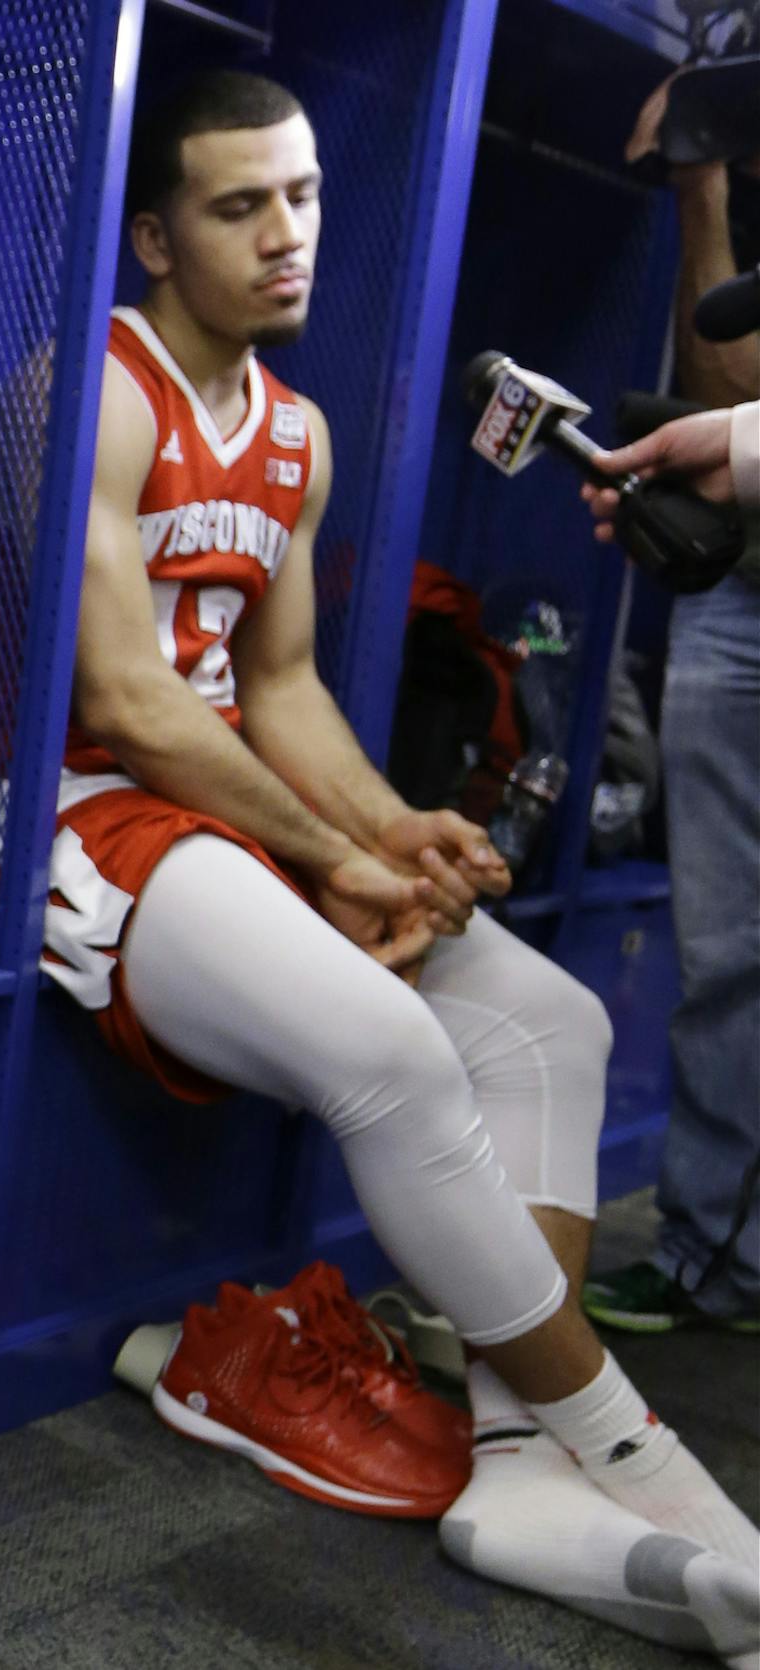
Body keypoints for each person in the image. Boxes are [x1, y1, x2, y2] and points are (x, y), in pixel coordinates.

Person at [0, 70, 758, 1661]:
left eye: (304, 197)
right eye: (240, 206)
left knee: (553, 1019)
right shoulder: (90, 388)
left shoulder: (295, 436)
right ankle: (636, 1453)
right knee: (392, 1045)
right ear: (155, 238)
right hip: (44, 817)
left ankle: (515, 1465)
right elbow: (123, 700)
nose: (287, 234)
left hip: (216, 818)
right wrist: (335, 853)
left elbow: (285, 687)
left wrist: (389, 832)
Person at [570, 82, 760, 1339]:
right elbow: (722, 368)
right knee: (728, 944)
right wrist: (704, 173)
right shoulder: (732, 121)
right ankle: (717, 1260)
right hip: (741, 586)